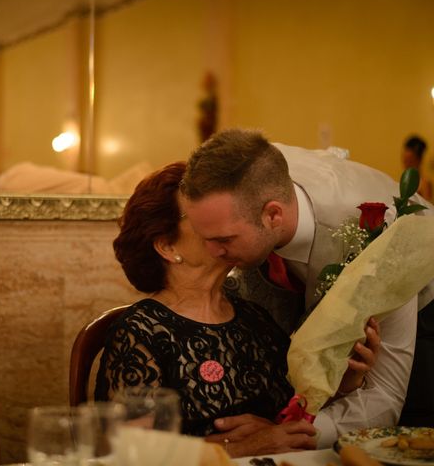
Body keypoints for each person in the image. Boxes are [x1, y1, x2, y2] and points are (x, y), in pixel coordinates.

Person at [180, 128, 434, 446]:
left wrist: (294, 434)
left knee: (412, 438)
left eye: (223, 240)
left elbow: (386, 396)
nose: (210, 254)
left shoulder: (377, 235)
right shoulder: (255, 170)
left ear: (273, 215)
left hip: (431, 293)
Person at [94, 162, 380, 457]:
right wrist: (242, 447)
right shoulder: (141, 331)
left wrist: (343, 380)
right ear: (167, 246)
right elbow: (129, 453)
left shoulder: (254, 318)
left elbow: (291, 417)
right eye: (200, 214)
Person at [402, 135, 433, 200]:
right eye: (405, 160)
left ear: (418, 159)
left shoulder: (424, 184)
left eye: (409, 161)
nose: (405, 163)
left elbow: (428, 207)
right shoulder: (405, 180)